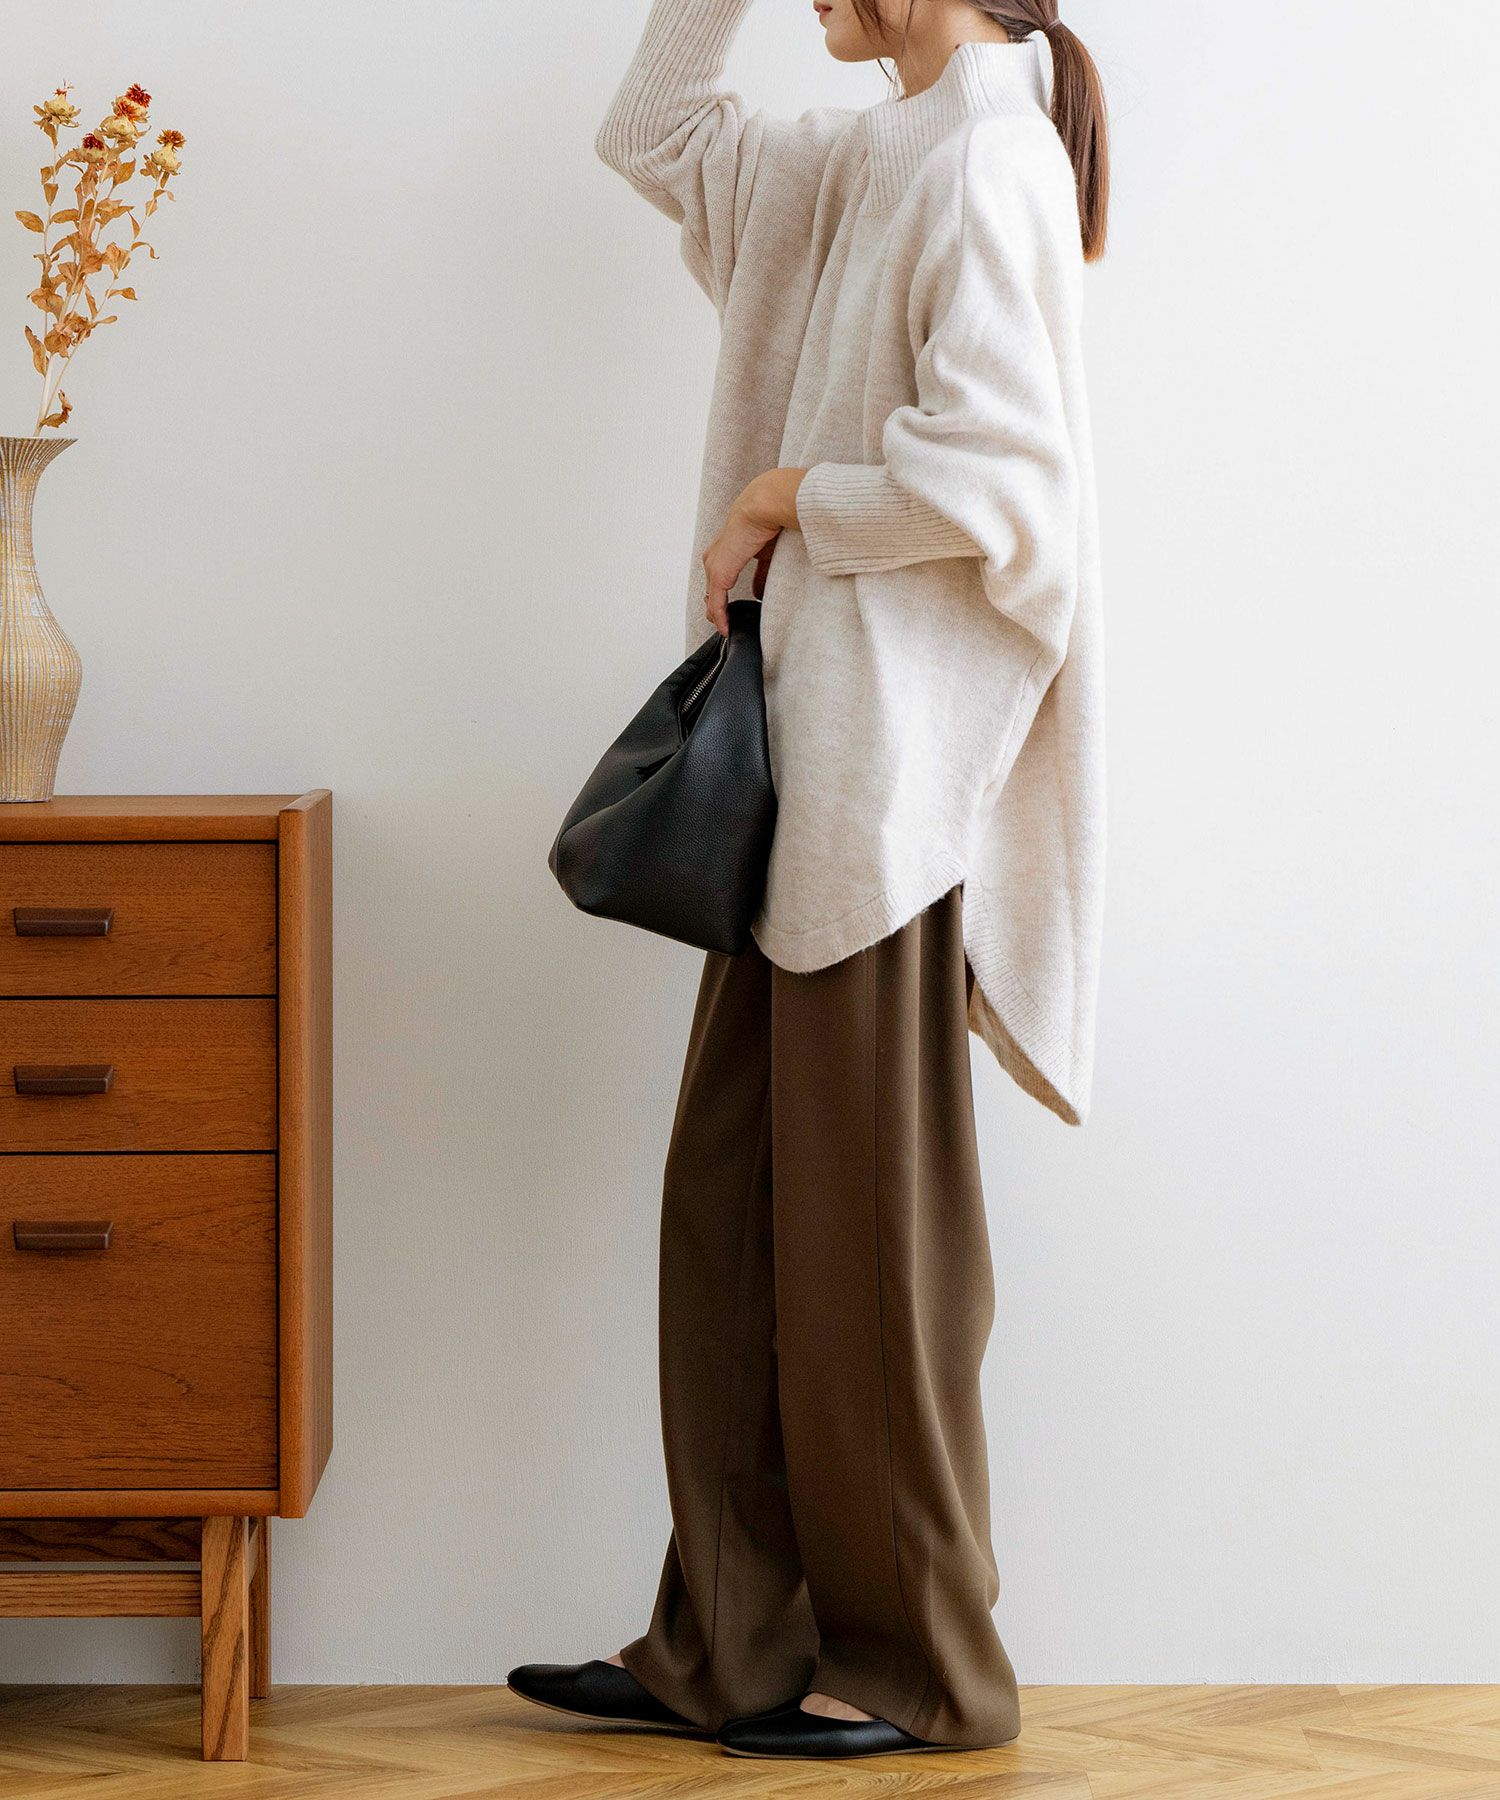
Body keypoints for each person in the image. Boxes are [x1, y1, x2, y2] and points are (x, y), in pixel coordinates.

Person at [511, 0, 1108, 1762]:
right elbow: (655, 129)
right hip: (801, 774)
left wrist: (784, 491)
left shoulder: (987, 159)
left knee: (869, 1260)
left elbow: (1009, 483)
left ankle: (923, 1668)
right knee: (736, 1229)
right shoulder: (869, 154)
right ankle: (730, 1641)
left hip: (883, 791)